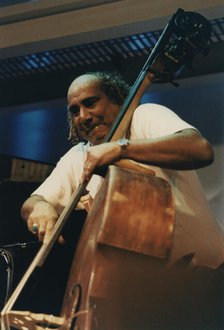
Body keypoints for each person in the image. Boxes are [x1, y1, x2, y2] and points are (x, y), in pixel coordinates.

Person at [21, 71, 224, 268]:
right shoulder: (79, 156)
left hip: (210, 270)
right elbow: (33, 201)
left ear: (117, 99)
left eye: (90, 103)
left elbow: (199, 149)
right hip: (150, 284)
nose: (83, 117)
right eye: (75, 111)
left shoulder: (145, 116)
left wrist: (120, 149)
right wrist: (40, 208)